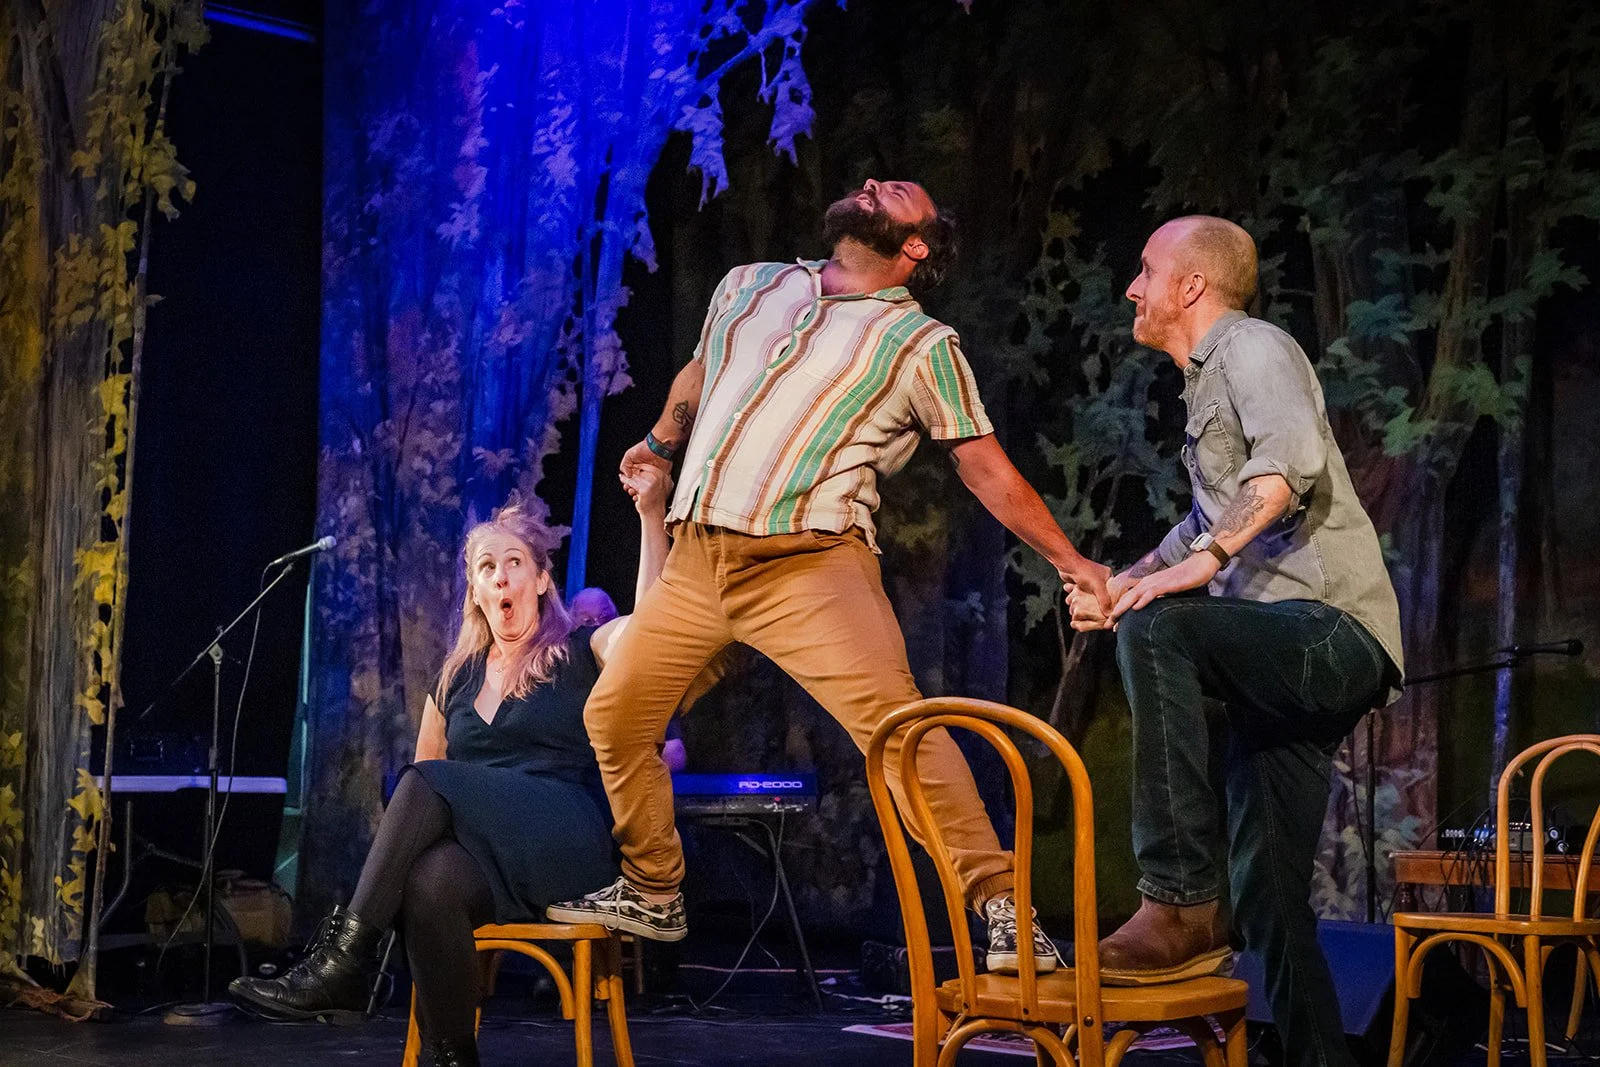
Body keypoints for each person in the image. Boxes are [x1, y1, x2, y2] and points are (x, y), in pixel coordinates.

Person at [547, 178, 1110, 975]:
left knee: (901, 731)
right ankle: (654, 887)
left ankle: (1003, 911)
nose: (874, 182)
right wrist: (663, 446)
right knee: (615, 715)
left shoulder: (921, 345)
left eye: (900, 193)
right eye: (877, 179)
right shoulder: (751, 283)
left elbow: (985, 469)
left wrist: (1072, 561)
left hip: (810, 564)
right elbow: (699, 374)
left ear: (915, 246)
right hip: (699, 557)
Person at [1068, 216, 1403, 1067]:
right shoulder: (1206, 384)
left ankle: (1177, 897)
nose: (1134, 289)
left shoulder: (1253, 346)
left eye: (1146, 272)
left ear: (1190, 286)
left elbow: (1285, 472)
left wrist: (1191, 572)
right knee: (1269, 895)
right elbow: (1200, 523)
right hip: (1283, 657)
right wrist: (1125, 578)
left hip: (1330, 630)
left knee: (1160, 627)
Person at [229, 468, 681, 1067]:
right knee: (429, 881)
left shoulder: (581, 649)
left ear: (542, 578)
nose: (500, 576)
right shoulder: (454, 678)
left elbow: (650, 635)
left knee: (423, 780)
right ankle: (451, 1055)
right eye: (486, 567)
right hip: (489, 865)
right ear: (474, 591)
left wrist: (651, 515)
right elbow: (425, 806)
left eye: (515, 562)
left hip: (564, 845)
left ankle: (345, 964)